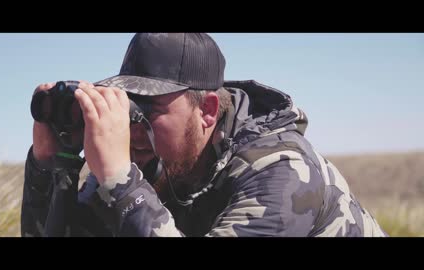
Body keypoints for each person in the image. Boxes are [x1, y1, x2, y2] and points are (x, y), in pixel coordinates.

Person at [21, 33, 387, 237]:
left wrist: (120, 182)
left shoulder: (283, 175)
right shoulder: (151, 159)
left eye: (148, 110)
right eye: (127, 107)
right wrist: (54, 166)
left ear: (207, 111)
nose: (132, 128)